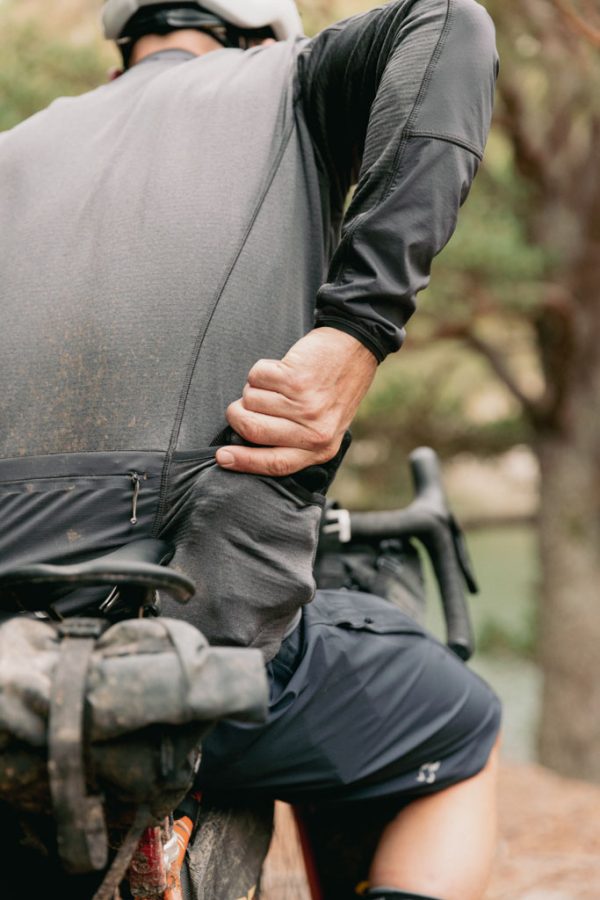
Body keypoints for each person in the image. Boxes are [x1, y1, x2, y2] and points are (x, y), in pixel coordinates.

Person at [0, 1, 501, 897]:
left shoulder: (18, 149)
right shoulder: (290, 82)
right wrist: (357, 330)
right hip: (182, 640)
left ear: (124, 58)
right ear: (276, 40)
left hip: (13, 656)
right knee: (459, 723)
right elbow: (449, 22)